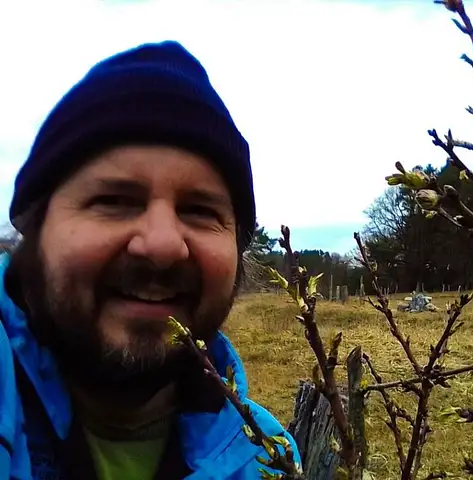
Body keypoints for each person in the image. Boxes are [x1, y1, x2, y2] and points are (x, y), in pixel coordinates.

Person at [0, 40, 302, 479]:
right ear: (34, 227)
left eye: (199, 210)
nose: (162, 246)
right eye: (115, 200)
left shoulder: (266, 459)